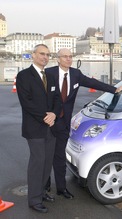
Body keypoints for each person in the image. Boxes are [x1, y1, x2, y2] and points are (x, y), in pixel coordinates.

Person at [45, 48, 122, 199]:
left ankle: (61, 188)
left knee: (59, 157)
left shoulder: (75, 74)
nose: (68, 59)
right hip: (48, 123)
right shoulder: (48, 73)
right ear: (58, 59)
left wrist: (114, 89)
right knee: (45, 156)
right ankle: (44, 188)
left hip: (63, 124)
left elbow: (93, 83)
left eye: (70, 56)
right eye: (65, 57)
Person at [16, 44, 61, 213]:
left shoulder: (50, 76)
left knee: (47, 162)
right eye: (42, 54)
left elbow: (57, 99)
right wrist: (46, 117)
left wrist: (54, 115)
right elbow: (26, 103)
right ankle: (34, 200)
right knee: (37, 162)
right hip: (34, 128)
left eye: (48, 55)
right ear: (33, 55)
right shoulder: (23, 76)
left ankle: (41, 192)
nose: (45, 57)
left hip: (51, 127)